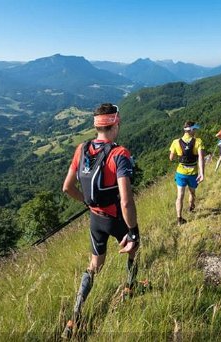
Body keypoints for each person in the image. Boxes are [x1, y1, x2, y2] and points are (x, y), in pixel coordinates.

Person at [61, 103, 139, 337]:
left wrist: (88, 203)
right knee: (134, 248)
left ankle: (74, 318)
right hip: (115, 217)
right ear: (115, 123)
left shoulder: (81, 149)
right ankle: (129, 287)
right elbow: (126, 201)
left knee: (94, 266)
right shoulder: (119, 154)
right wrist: (132, 230)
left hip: (95, 219)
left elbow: (67, 188)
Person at [169, 121, 205, 225]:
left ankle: (179, 219)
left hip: (181, 173)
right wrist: (202, 173)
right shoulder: (198, 141)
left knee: (180, 195)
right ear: (191, 130)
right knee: (192, 193)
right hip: (193, 173)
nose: (196, 131)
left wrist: (178, 154)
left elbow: (171, 158)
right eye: (195, 129)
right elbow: (201, 159)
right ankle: (191, 208)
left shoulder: (176, 142)